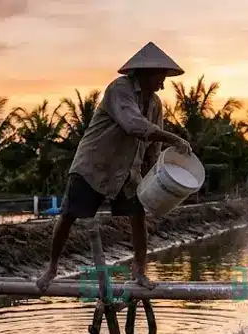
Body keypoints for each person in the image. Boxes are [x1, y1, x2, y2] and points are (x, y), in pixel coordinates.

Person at [35, 42, 193, 293]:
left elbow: (152, 147)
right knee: (68, 215)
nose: (162, 83)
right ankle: (52, 267)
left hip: (127, 172)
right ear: (145, 73)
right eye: (159, 77)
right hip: (94, 165)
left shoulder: (155, 104)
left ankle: (139, 271)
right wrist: (174, 139)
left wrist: (154, 175)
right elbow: (133, 124)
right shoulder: (120, 89)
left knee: (138, 216)